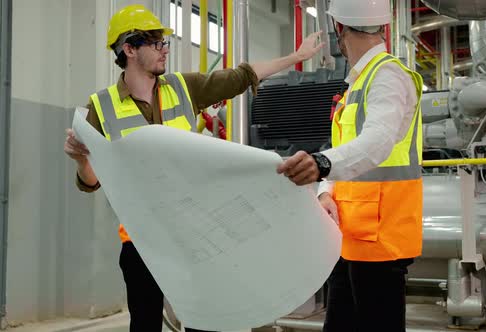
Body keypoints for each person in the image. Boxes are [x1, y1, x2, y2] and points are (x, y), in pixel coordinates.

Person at [63, 4, 323, 332]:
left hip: (195, 235)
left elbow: (243, 76)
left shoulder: (184, 88)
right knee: (144, 323)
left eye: (164, 43)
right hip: (141, 240)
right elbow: (91, 182)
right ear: (129, 49)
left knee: (208, 321)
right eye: (156, 43)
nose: (165, 50)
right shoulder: (100, 108)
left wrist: (295, 56)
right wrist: (81, 159)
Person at [276, 0, 424, 331]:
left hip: (381, 238)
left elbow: (378, 141)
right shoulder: (359, 81)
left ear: (339, 30)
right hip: (351, 232)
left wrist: (321, 165)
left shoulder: (387, 75)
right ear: (382, 26)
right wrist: (326, 192)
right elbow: (346, 148)